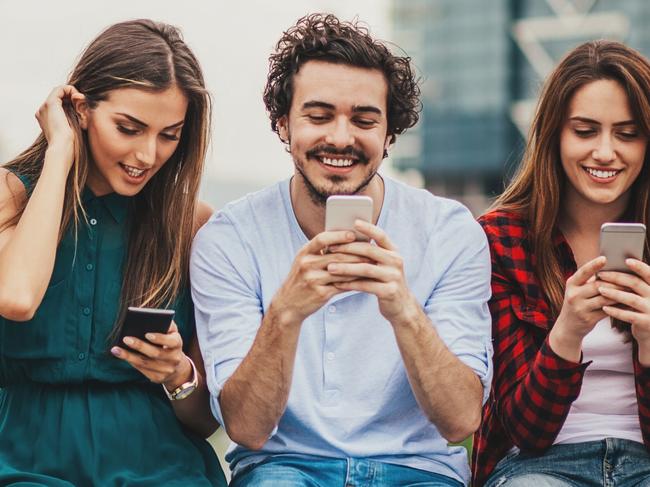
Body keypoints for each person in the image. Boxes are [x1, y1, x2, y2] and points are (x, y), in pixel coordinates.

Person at [191, 13, 492, 487]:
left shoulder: (450, 232)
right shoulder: (230, 238)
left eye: (364, 119)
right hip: (284, 468)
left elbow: (460, 421)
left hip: (416, 469)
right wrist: (286, 313)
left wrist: (404, 311)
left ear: (390, 134)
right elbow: (246, 430)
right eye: (318, 115)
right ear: (283, 123)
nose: (340, 137)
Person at [0, 19, 226, 486]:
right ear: (80, 110)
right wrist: (60, 153)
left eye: (169, 134)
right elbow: (16, 297)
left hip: (158, 465)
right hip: (24, 460)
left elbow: (205, 422)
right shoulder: (11, 196)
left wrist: (176, 372)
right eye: (129, 128)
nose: (147, 154)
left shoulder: (193, 225)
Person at [473, 40, 650, 487]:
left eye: (627, 133)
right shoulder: (500, 239)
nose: (606, 152)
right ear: (555, 134)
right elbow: (526, 432)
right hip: (540, 465)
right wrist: (567, 330)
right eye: (585, 130)